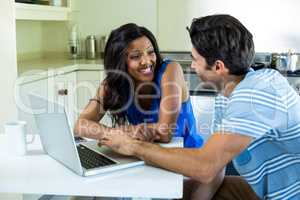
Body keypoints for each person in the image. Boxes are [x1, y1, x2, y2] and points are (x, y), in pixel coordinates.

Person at [99, 14, 300, 200]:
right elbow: (215, 167)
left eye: (195, 59)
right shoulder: (228, 94)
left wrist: (133, 146)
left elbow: (205, 166)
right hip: (269, 191)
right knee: (170, 193)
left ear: (219, 67)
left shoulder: (255, 94)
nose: (192, 66)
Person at [74, 23, 203, 147]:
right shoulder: (113, 84)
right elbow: (80, 125)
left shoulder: (170, 71)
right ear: (119, 62)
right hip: (144, 156)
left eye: (151, 52)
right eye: (136, 56)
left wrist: (124, 132)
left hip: (186, 156)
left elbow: (165, 133)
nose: (147, 61)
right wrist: (116, 133)